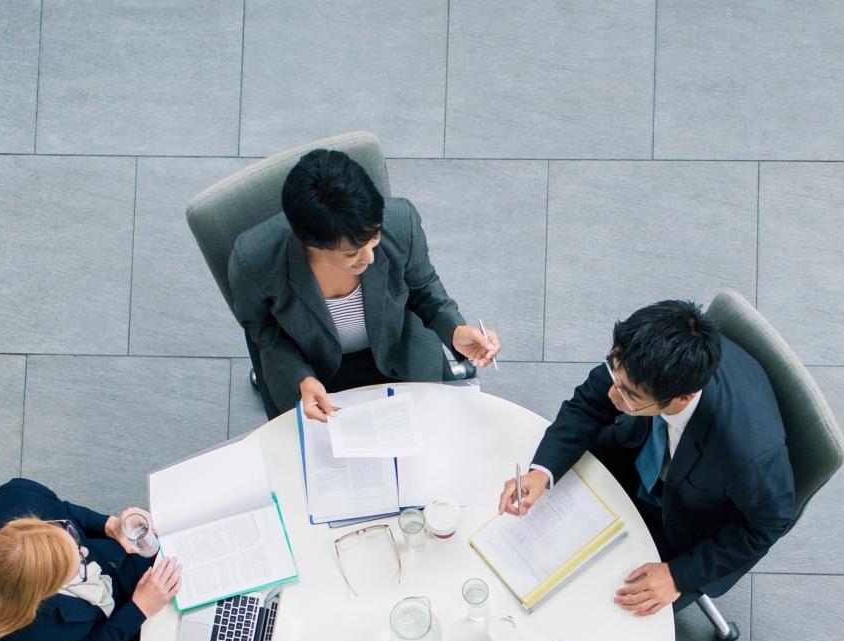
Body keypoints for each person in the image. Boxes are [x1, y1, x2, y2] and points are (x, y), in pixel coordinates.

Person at [497, 299, 795, 617]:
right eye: (615, 374)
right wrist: (542, 472)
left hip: (684, 524)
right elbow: (589, 403)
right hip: (630, 456)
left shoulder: (748, 455)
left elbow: (767, 525)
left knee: (588, 608)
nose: (612, 395)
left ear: (684, 397)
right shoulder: (641, 359)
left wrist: (678, 574)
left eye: (629, 394)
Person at [228, 147, 500, 421]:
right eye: (352, 253)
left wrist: (455, 330)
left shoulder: (401, 222)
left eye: (375, 236)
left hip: (398, 353)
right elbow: (260, 328)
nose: (369, 257)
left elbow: (423, 288)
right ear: (311, 244)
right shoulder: (254, 261)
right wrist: (300, 377)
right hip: (313, 371)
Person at [0, 478, 182, 641]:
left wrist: (109, 526)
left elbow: (64, 510)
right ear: (47, 592)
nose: (84, 550)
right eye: (77, 566)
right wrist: (138, 610)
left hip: (116, 573)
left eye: (71, 540)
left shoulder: (19, 495)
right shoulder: (27, 640)